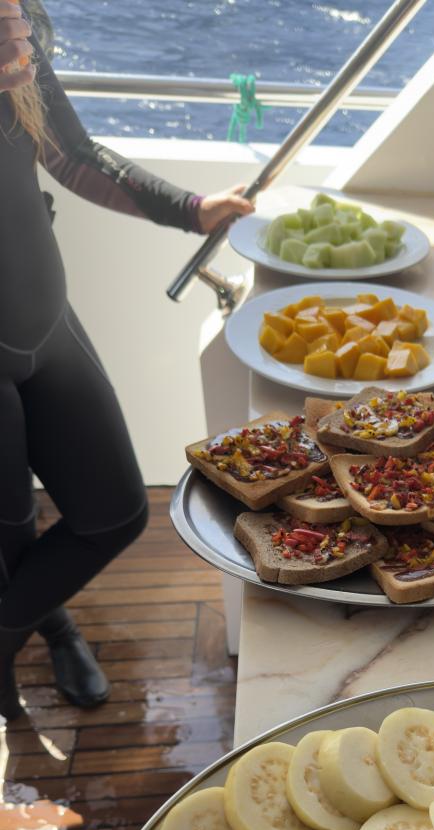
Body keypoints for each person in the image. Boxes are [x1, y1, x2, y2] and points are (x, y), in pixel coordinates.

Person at [0, 1, 254, 720]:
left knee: (114, 514)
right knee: (10, 538)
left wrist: (190, 208)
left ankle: (17, 626)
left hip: (42, 320)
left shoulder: (10, 32)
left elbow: (72, 154)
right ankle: (45, 625)